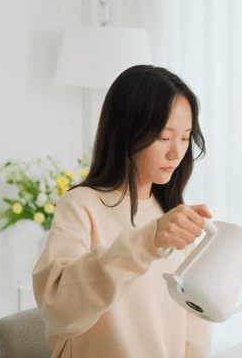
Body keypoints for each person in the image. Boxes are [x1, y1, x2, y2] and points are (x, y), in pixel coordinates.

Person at [32, 65, 213, 358]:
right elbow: (59, 310)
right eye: (164, 137)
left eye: (185, 137)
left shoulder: (171, 215)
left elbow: (193, 325)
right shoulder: (80, 206)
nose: (176, 153)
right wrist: (147, 242)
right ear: (127, 132)